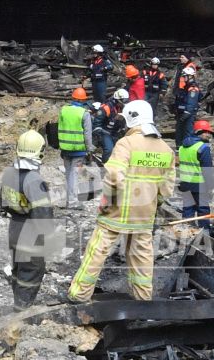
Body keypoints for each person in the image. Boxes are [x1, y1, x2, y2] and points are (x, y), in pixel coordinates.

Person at [68, 99, 173, 303]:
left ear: (132, 118)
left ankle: (79, 295)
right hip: (144, 215)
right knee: (142, 256)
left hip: (118, 212)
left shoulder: (126, 143)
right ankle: (143, 298)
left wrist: (106, 202)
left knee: (97, 252)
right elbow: (166, 189)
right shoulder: (166, 149)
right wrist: (154, 206)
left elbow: (114, 177)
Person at [0, 130, 59, 306]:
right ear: (40, 151)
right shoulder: (34, 180)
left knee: (18, 269)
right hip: (30, 233)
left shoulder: (9, 173)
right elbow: (42, 215)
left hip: (15, 228)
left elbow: (2, 202)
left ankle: (18, 303)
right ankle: (21, 313)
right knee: (31, 273)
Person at [57, 88, 92, 203]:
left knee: (68, 174)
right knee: (74, 174)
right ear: (83, 101)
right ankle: (72, 201)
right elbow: (87, 134)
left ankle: (68, 199)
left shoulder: (64, 110)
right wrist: (89, 149)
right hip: (78, 149)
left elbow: (59, 128)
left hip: (65, 148)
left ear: (73, 98)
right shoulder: (84, 113)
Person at [177, 120, 214, 220]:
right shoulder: (203, 148)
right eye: (206, 132)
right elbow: (207, 169)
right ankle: (204, 232)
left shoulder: (182, 147)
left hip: (185, 183)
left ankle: (186, 231)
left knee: (188, 209)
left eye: (209, 132)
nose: (208, 135)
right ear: (198, 132)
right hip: (200, 184)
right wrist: (211, 186)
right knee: (203, 210)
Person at [176, 77, 203, 146]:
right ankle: (179, 147)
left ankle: (187, 147)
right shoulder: (185, 86)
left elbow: (192, 102)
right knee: (180, 130)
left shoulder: (193, 88)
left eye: (185, 76)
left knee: (188, 131)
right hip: (181, 112)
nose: (183, 78)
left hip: (188, 113)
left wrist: (187, 112)